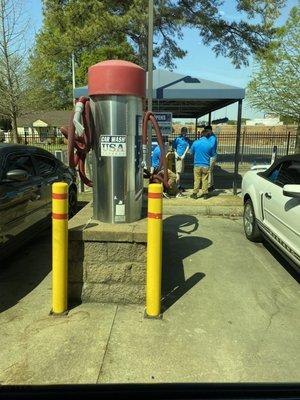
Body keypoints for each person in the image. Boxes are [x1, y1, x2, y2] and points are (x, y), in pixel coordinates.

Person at [189, 129, 214, 200]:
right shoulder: (210, 144)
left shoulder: (195, 142)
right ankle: (205, 194)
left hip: (197, 164)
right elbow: (212, 155)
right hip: (206, 165)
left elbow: (191, 152)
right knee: (205, 180)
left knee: (197, 179)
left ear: (201, 135)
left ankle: (195, 194)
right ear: (208, 136)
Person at [205, 125, 218, 192]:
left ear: (210, 130)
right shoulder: (210, 137)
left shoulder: (212, 137)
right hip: (210, 156)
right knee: (210, 171)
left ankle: (209, 186)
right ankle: (212, 185)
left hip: (212, 156)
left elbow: (211, 146)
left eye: (207, 131)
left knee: (209, 171)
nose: (206, 132)